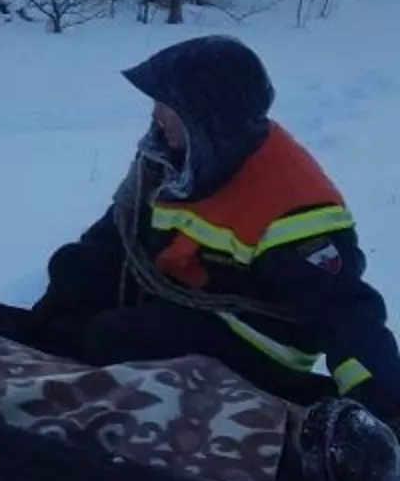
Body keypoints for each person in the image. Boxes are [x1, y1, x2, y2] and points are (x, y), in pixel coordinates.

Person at [23, 34, 400, 429]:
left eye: (168, 106)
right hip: (190, 305)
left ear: (207, 116)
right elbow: (117, 235)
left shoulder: (293, 200)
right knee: (75, 268)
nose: (156, 116)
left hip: (260, 348)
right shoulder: (174, 160)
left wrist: (378, 406)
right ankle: (51, 363)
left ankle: (123, 420)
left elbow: (344, 313)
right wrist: (65, 293)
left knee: (118, 336)